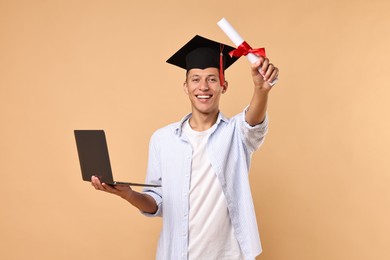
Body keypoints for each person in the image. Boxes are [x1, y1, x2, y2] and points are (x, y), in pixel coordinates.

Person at [91, 35, 279, 260]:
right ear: (186, 86)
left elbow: (253, 123)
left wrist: (261, 89)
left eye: (212, 79)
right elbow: (156, 203)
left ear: (223, 86)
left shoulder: (235, 134)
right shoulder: (162, 139)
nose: (203, 87)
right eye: (195, 79)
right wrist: (129, 194)